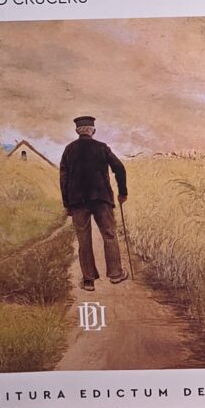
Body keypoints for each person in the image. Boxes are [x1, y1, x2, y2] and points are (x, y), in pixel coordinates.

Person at [59, 115, 129, 291]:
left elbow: (63, 178)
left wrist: (67, 204)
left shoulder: (69, 149)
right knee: (109, 235)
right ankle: (115, 274)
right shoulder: (102, 147)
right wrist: (122, 192)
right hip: (101, 199)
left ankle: (88, 280)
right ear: (93, 131)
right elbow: (119, 168)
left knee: (83, 240)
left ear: (77, 131)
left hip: (77, 202)